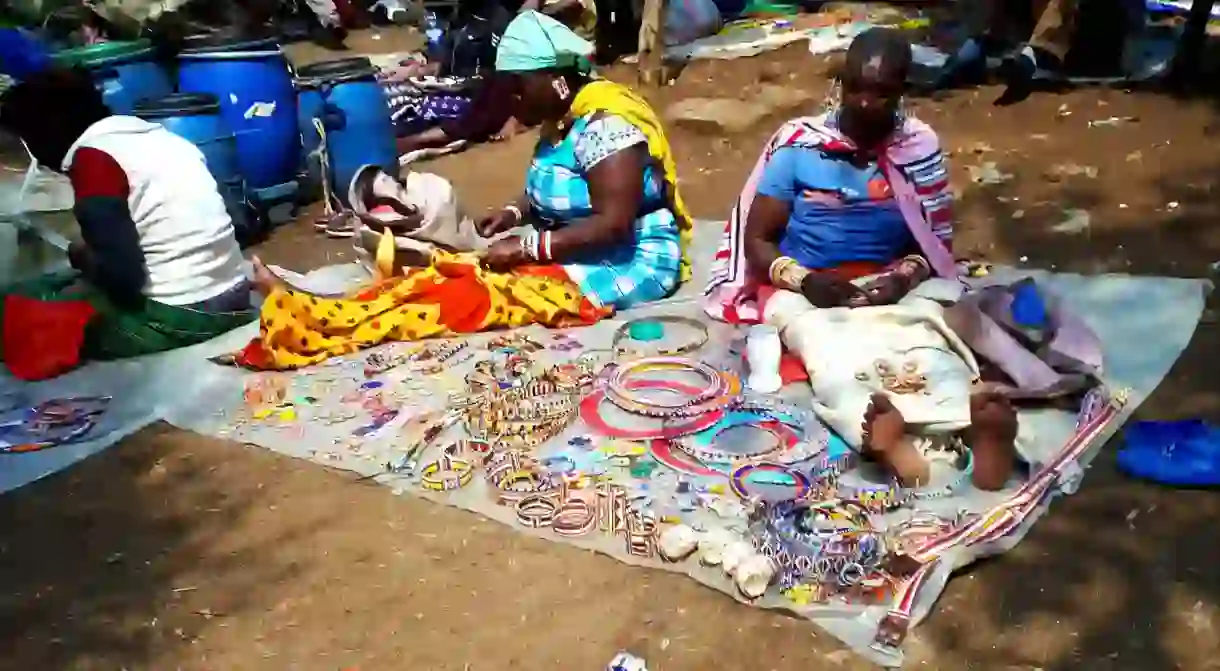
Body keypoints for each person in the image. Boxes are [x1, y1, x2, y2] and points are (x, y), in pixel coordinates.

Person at [234, 11, 692, 370]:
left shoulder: (608, 125)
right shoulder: (563, 120)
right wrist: (515, 215)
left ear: (557, 79)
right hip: (574, 253)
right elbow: (562, 190)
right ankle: (310, 312)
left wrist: (527, 249)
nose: (511, 102)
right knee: (442, 276)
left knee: (458, 298)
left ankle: (312, 324)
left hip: (628, 263)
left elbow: (613, 225)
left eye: (516, 89)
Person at [703, 28, 1019, 491]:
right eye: (856, 88)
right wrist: (807, 282)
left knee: (926, 338)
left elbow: (931, 244)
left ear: (903, 93)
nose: (866, 103)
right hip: (803, 286)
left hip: (892, 282)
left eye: (882, 93)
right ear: (840, 85)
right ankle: (891, 444)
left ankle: (976, 430)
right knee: (830, 357)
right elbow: (759, 241)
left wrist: (901, 279)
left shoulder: (918, 147)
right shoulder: (798, 146)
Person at [0, 68, 254, 378]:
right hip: (237, 298)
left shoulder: (94, 163)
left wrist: (86, 259)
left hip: (179, 319)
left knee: (17, 307)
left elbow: (123, 277)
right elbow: (235, 221)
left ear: (46, 132)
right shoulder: (159, 137)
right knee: (54, 283)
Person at [386, 0, 523, 156]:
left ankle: (414, 141)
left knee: (418, 112)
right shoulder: (461, 15)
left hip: (476, 95)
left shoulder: (499, 23)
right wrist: (417, 70)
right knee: (385, 93)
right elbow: (444, 63)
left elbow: (503, 78)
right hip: (446, 87)